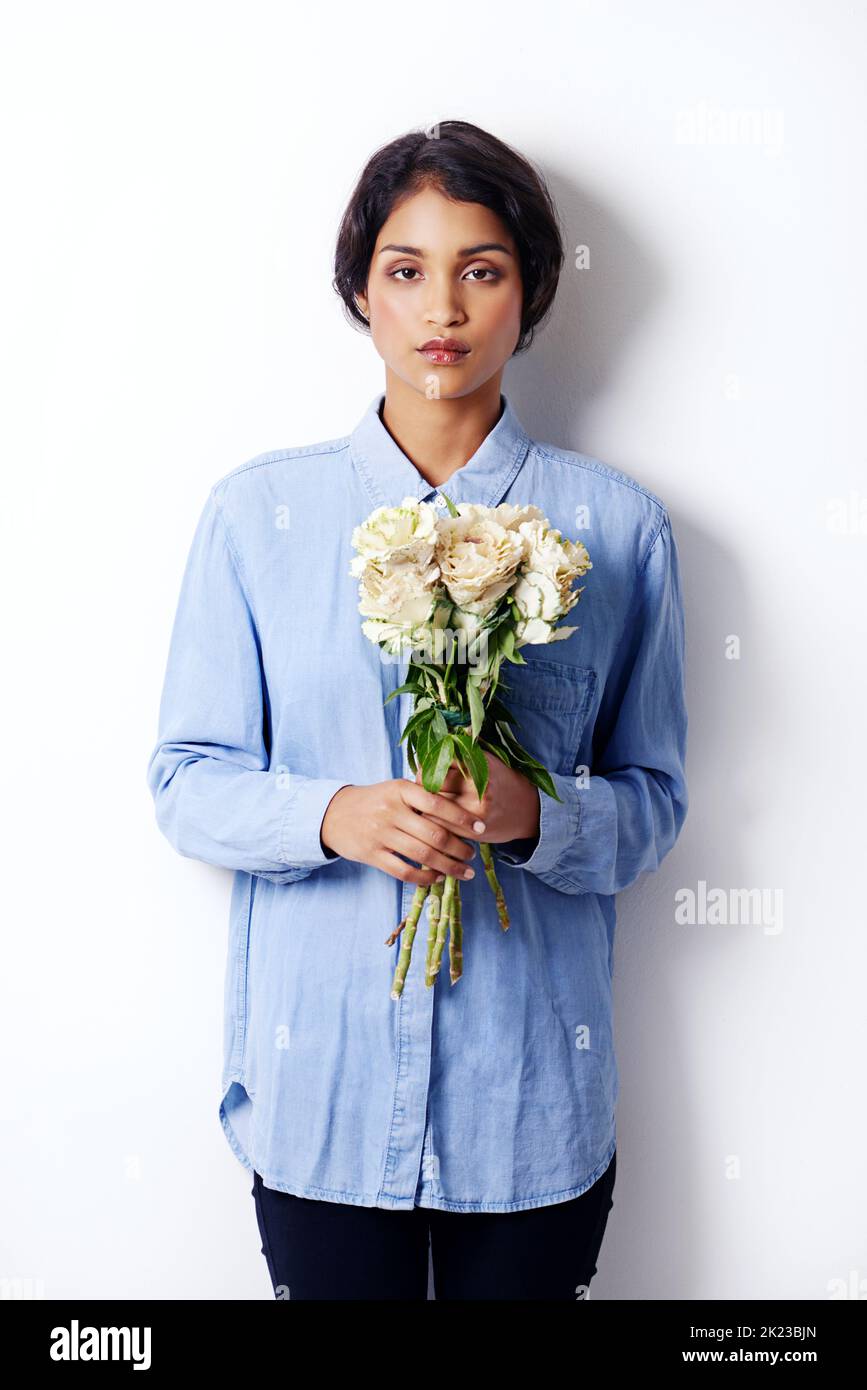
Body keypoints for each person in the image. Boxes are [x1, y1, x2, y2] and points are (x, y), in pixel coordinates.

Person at [146, 119, 688, 1300]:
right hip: (321, 1109)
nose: (442, 307)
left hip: (531, 1115)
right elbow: (185, 780)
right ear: (360, 289)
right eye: (406, 270)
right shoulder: (256, 519)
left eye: (481, 269)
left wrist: (534, 813)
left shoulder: (620, 531)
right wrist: (335, 813)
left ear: (531, 292)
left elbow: (655, 804)